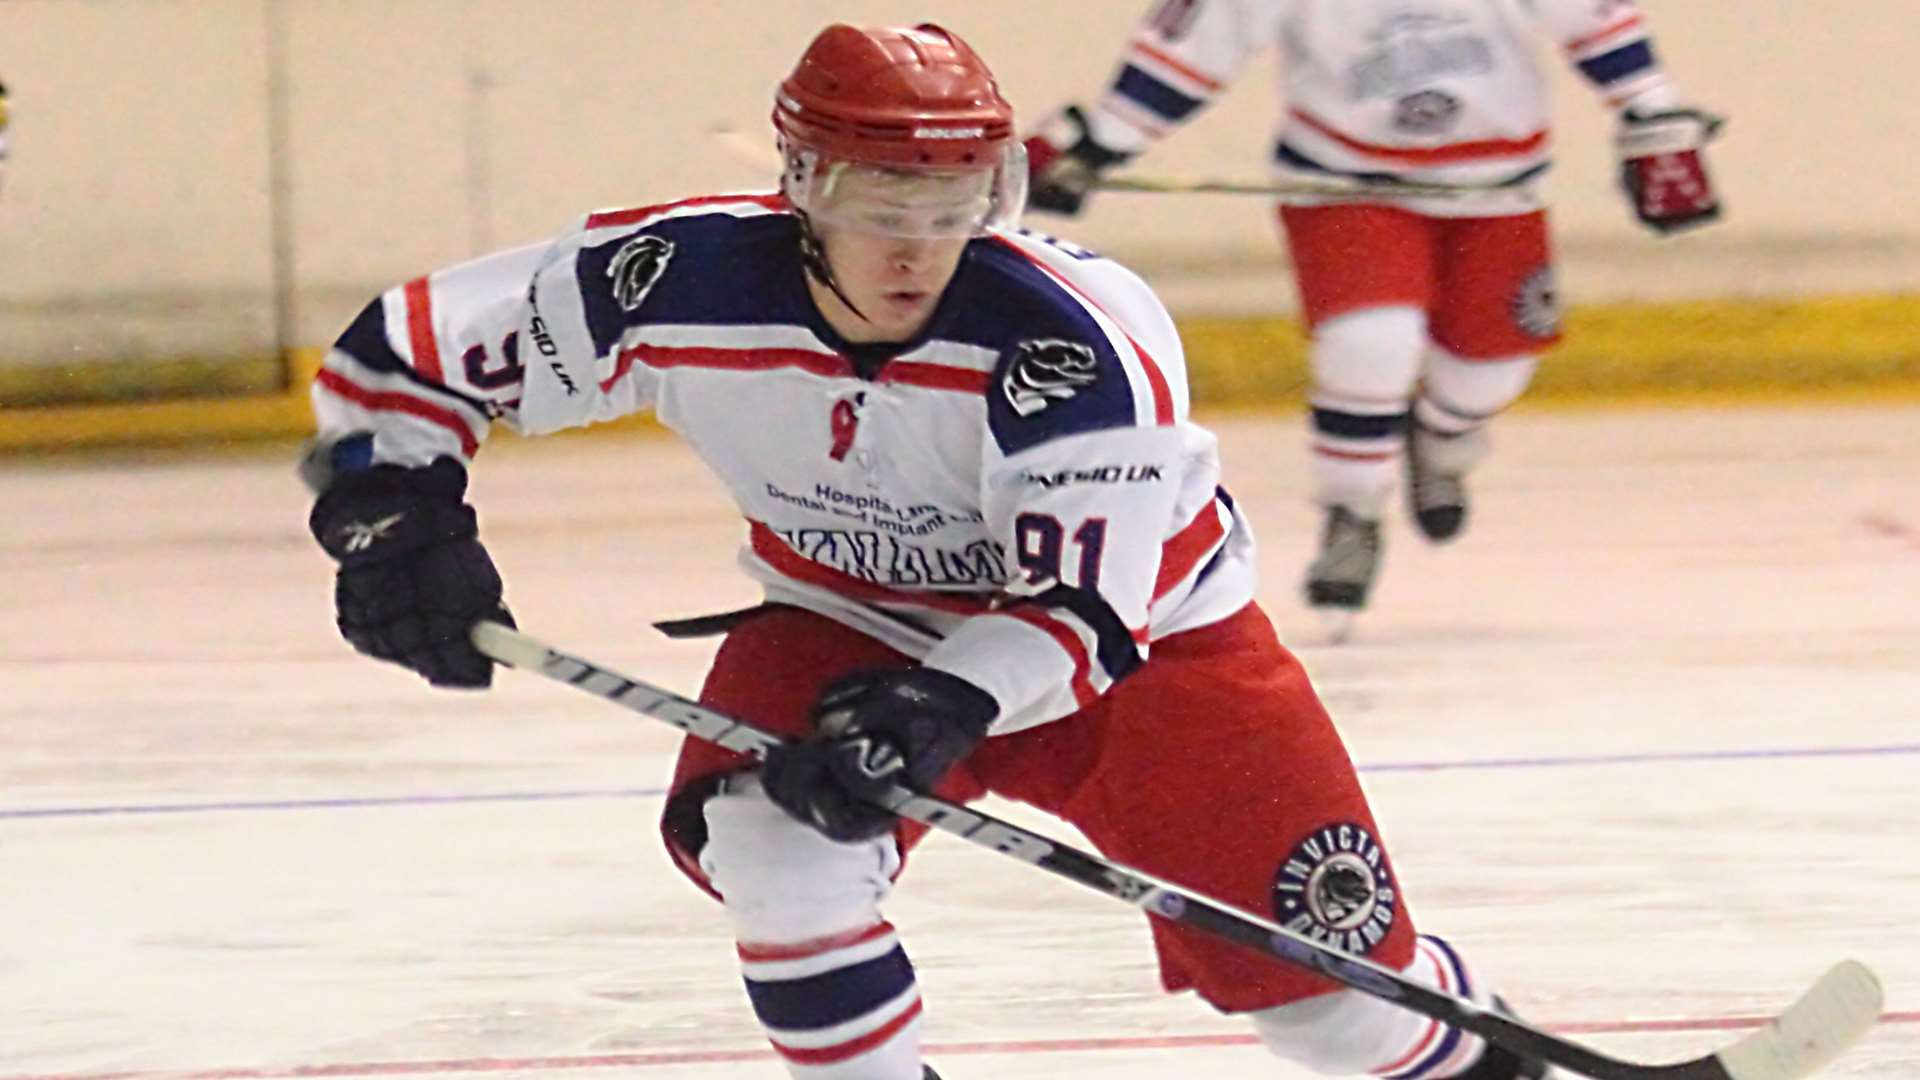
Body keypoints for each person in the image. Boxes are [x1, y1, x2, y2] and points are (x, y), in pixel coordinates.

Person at [304, 23, 1548, 1080]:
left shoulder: (1071, 342)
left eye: (954, 209)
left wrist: (951, 700)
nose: (916, 249)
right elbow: (407, 353)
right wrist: (391, 516)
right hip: (844, 615)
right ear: (799, 181)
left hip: (1151, 653)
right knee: (777, 856)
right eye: (880, 206)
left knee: (1340, 1013)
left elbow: (1083, 613)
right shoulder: (669, 278)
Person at [1023, 0, 1723, 633]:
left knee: (1490, 369)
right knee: (1368, 345)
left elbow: (1597, 20)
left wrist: (1653, 112)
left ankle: (1443, 440)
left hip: (1497, 189)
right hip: (1343, 183)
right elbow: (1194, 46)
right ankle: (1353, 511)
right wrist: (1103, 140)